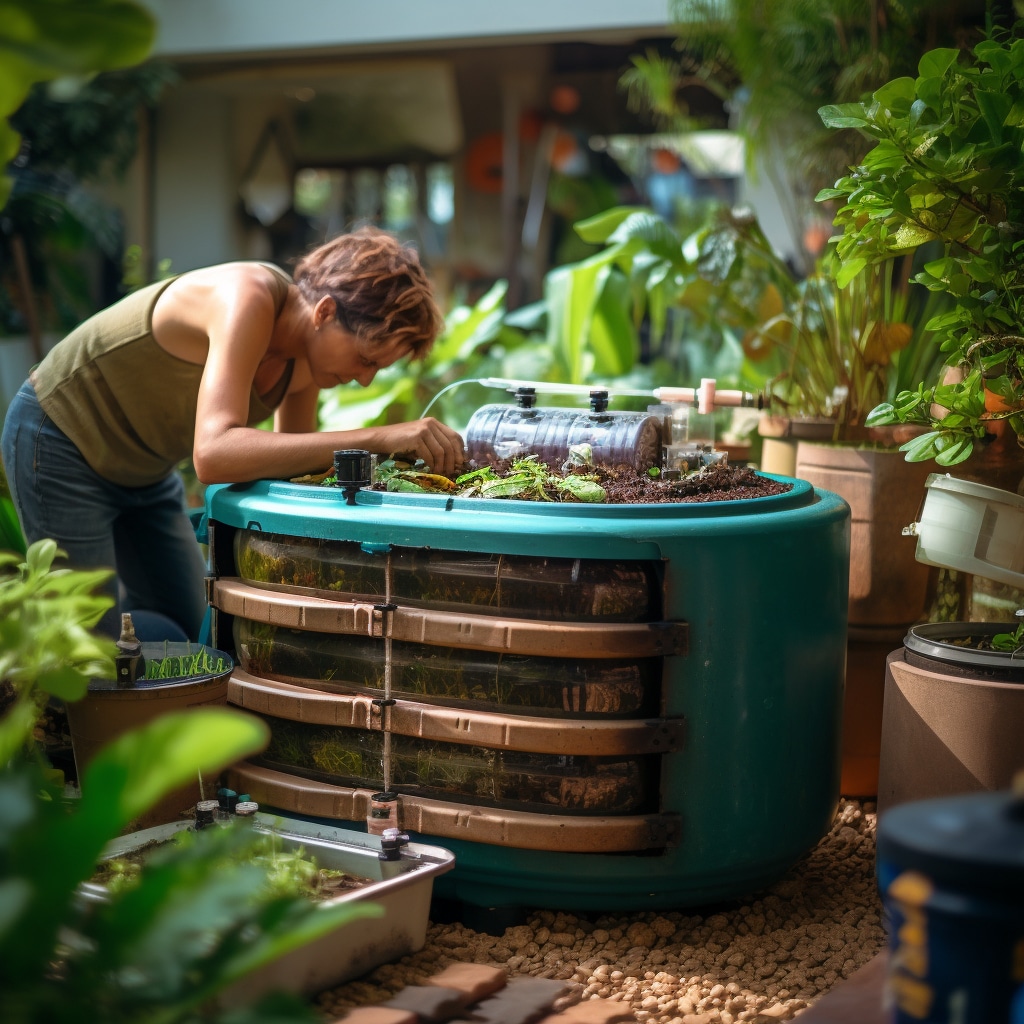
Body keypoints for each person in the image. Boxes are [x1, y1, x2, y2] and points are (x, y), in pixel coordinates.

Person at [1, 226, 465, 641]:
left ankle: (122, 660)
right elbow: (215, 453)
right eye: (366, 359)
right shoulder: (247, 296)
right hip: (61, 438)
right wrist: (377, 437)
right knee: (81, 652)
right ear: (324, 311)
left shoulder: (304, 363)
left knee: (200, 629)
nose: (365, 380)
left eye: (377, 370)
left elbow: (293, 468)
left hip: (144, 470)